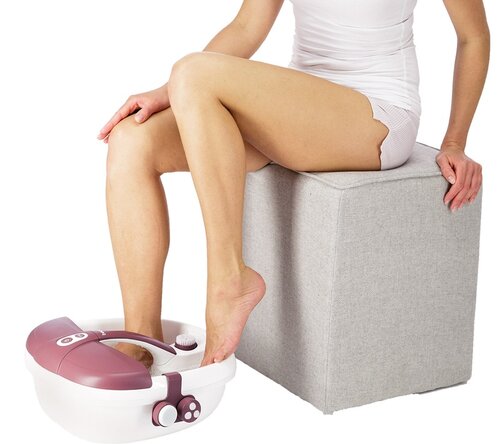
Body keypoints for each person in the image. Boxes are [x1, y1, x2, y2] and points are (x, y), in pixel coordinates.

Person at [96, 0, 488, 368]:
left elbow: (473, 36)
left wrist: (455, 142)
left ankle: (229, 280)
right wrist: (167, 94)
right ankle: (141, 340)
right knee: (133, 140)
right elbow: (246, 26)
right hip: (297, 112)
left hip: (379, 114)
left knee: (193, 71)